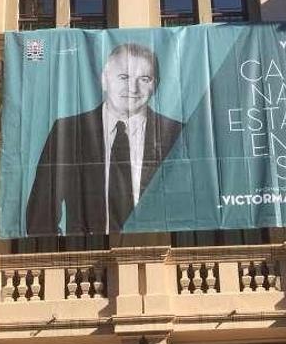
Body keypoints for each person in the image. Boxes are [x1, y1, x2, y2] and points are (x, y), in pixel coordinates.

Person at [26, 43, 183, 236]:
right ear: (104, 80)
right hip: (89, 259)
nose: (132, 88)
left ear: (155, 85)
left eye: (144, 78)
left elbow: (194, 206)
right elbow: (41, 212)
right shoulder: (68, 132)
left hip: (157, 259)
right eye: (124, 77)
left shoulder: (178, 134)